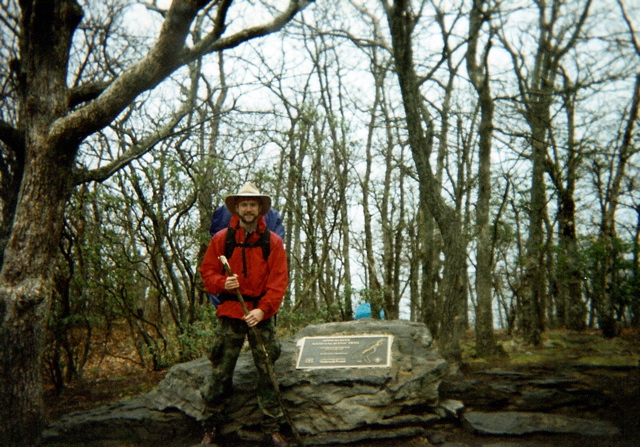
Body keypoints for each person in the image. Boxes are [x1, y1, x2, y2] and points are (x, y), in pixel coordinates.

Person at [199, 182, 289, 447]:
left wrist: (263, 310)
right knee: (221, 371)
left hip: (260, 313)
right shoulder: (221, 239)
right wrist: (221, 283)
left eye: (253, 204)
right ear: (236, 208)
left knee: (267, 370)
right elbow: (208, 272)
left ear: (260, 209)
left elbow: (278, 281)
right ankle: (211, 426)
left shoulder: (273, 242)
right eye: (244, 205)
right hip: (230, 311)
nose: (248, 209)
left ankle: (272, 427)